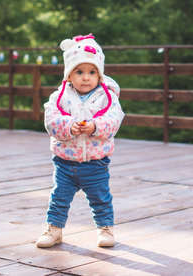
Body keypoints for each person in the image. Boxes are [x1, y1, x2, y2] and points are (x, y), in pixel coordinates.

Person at [36, 34, 125, 248]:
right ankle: (54, 229)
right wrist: (69, 127)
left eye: (92, 72)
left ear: (100, 74)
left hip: (95, 162)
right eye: (79, 72)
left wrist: (95, 127)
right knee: (59, 198)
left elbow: (114, 119)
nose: (86, 77)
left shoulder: (106, 97)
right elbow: (51, 119)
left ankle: (105, 229)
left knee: (100, 198)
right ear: (69, 75)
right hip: (65, 162)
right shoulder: (60, 97)